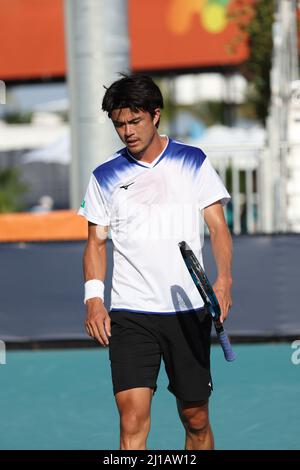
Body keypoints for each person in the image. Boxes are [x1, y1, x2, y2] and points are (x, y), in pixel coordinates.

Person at [78, 74, 233, 450]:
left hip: (187, 311)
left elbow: (218, 229)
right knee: (131, 421)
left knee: (195, 419)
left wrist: (224, 280)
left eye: (135, 121)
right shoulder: (103, 177)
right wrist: (94, 298)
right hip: (131, 314)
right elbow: (96, 242)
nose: (127, 131)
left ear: (155, 115)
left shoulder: (193, 161)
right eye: (119, 124)